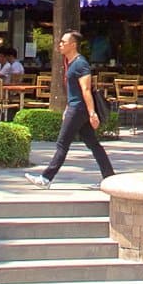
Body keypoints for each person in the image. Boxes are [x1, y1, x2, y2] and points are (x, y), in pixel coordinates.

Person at [29, 30, 115, 186]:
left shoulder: (81, 64)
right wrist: (67, 107)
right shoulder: (70, 63)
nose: (60, 44)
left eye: (64, 42)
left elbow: (86, 90)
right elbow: (73, 90)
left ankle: (46, 178)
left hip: (78, 110)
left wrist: (92, 113)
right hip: (75, 108)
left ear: (73, 45)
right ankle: (110, 177)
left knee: (62, 144)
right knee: (93, 144)